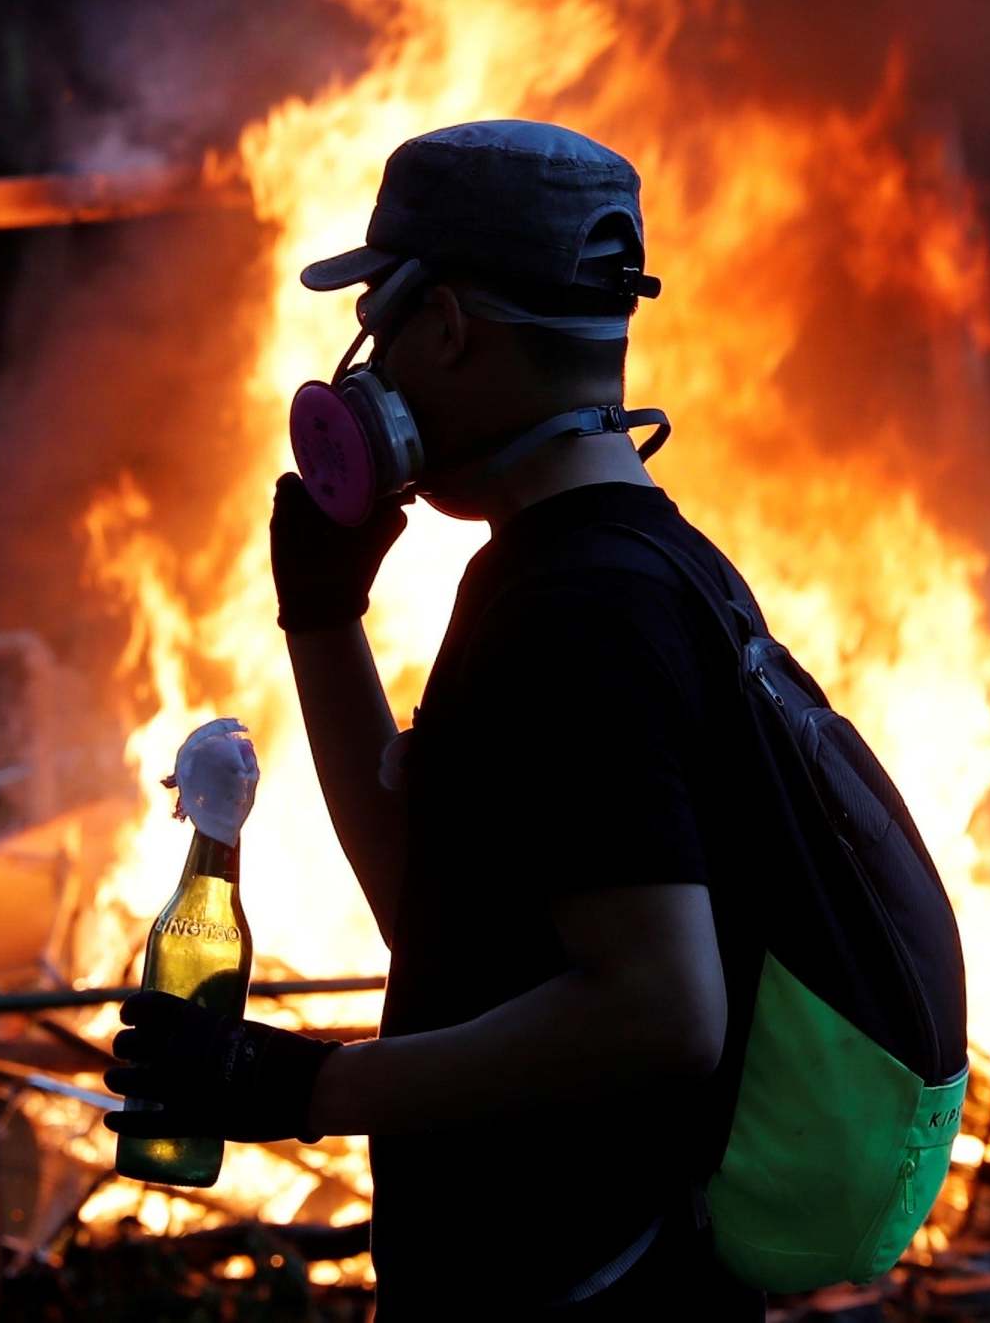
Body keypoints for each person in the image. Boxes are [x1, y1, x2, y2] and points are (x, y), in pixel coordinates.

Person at [107, 120, 767, 1317]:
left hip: (575, 1291)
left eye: (384, 322)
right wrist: (321, 618)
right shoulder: (630, 568)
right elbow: (436, 909)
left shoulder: (580, 611)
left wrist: (308, 1088)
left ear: (449, 324)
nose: (369, 367)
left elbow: (661, 1007)